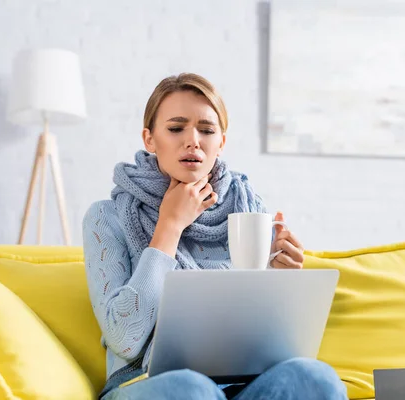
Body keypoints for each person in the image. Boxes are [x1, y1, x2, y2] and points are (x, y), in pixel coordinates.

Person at [82, 73, 348, 400]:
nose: (193, 141)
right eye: (176, 128)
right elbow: (125, 338)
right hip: (148, 385)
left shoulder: (248, 209)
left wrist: (278, 279)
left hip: (244, 384)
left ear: (221, 142)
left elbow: (267, 337)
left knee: (316, 378)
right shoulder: (107, 217)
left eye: (207, 130)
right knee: (194, 390)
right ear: (149, 139)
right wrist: (169, 226)